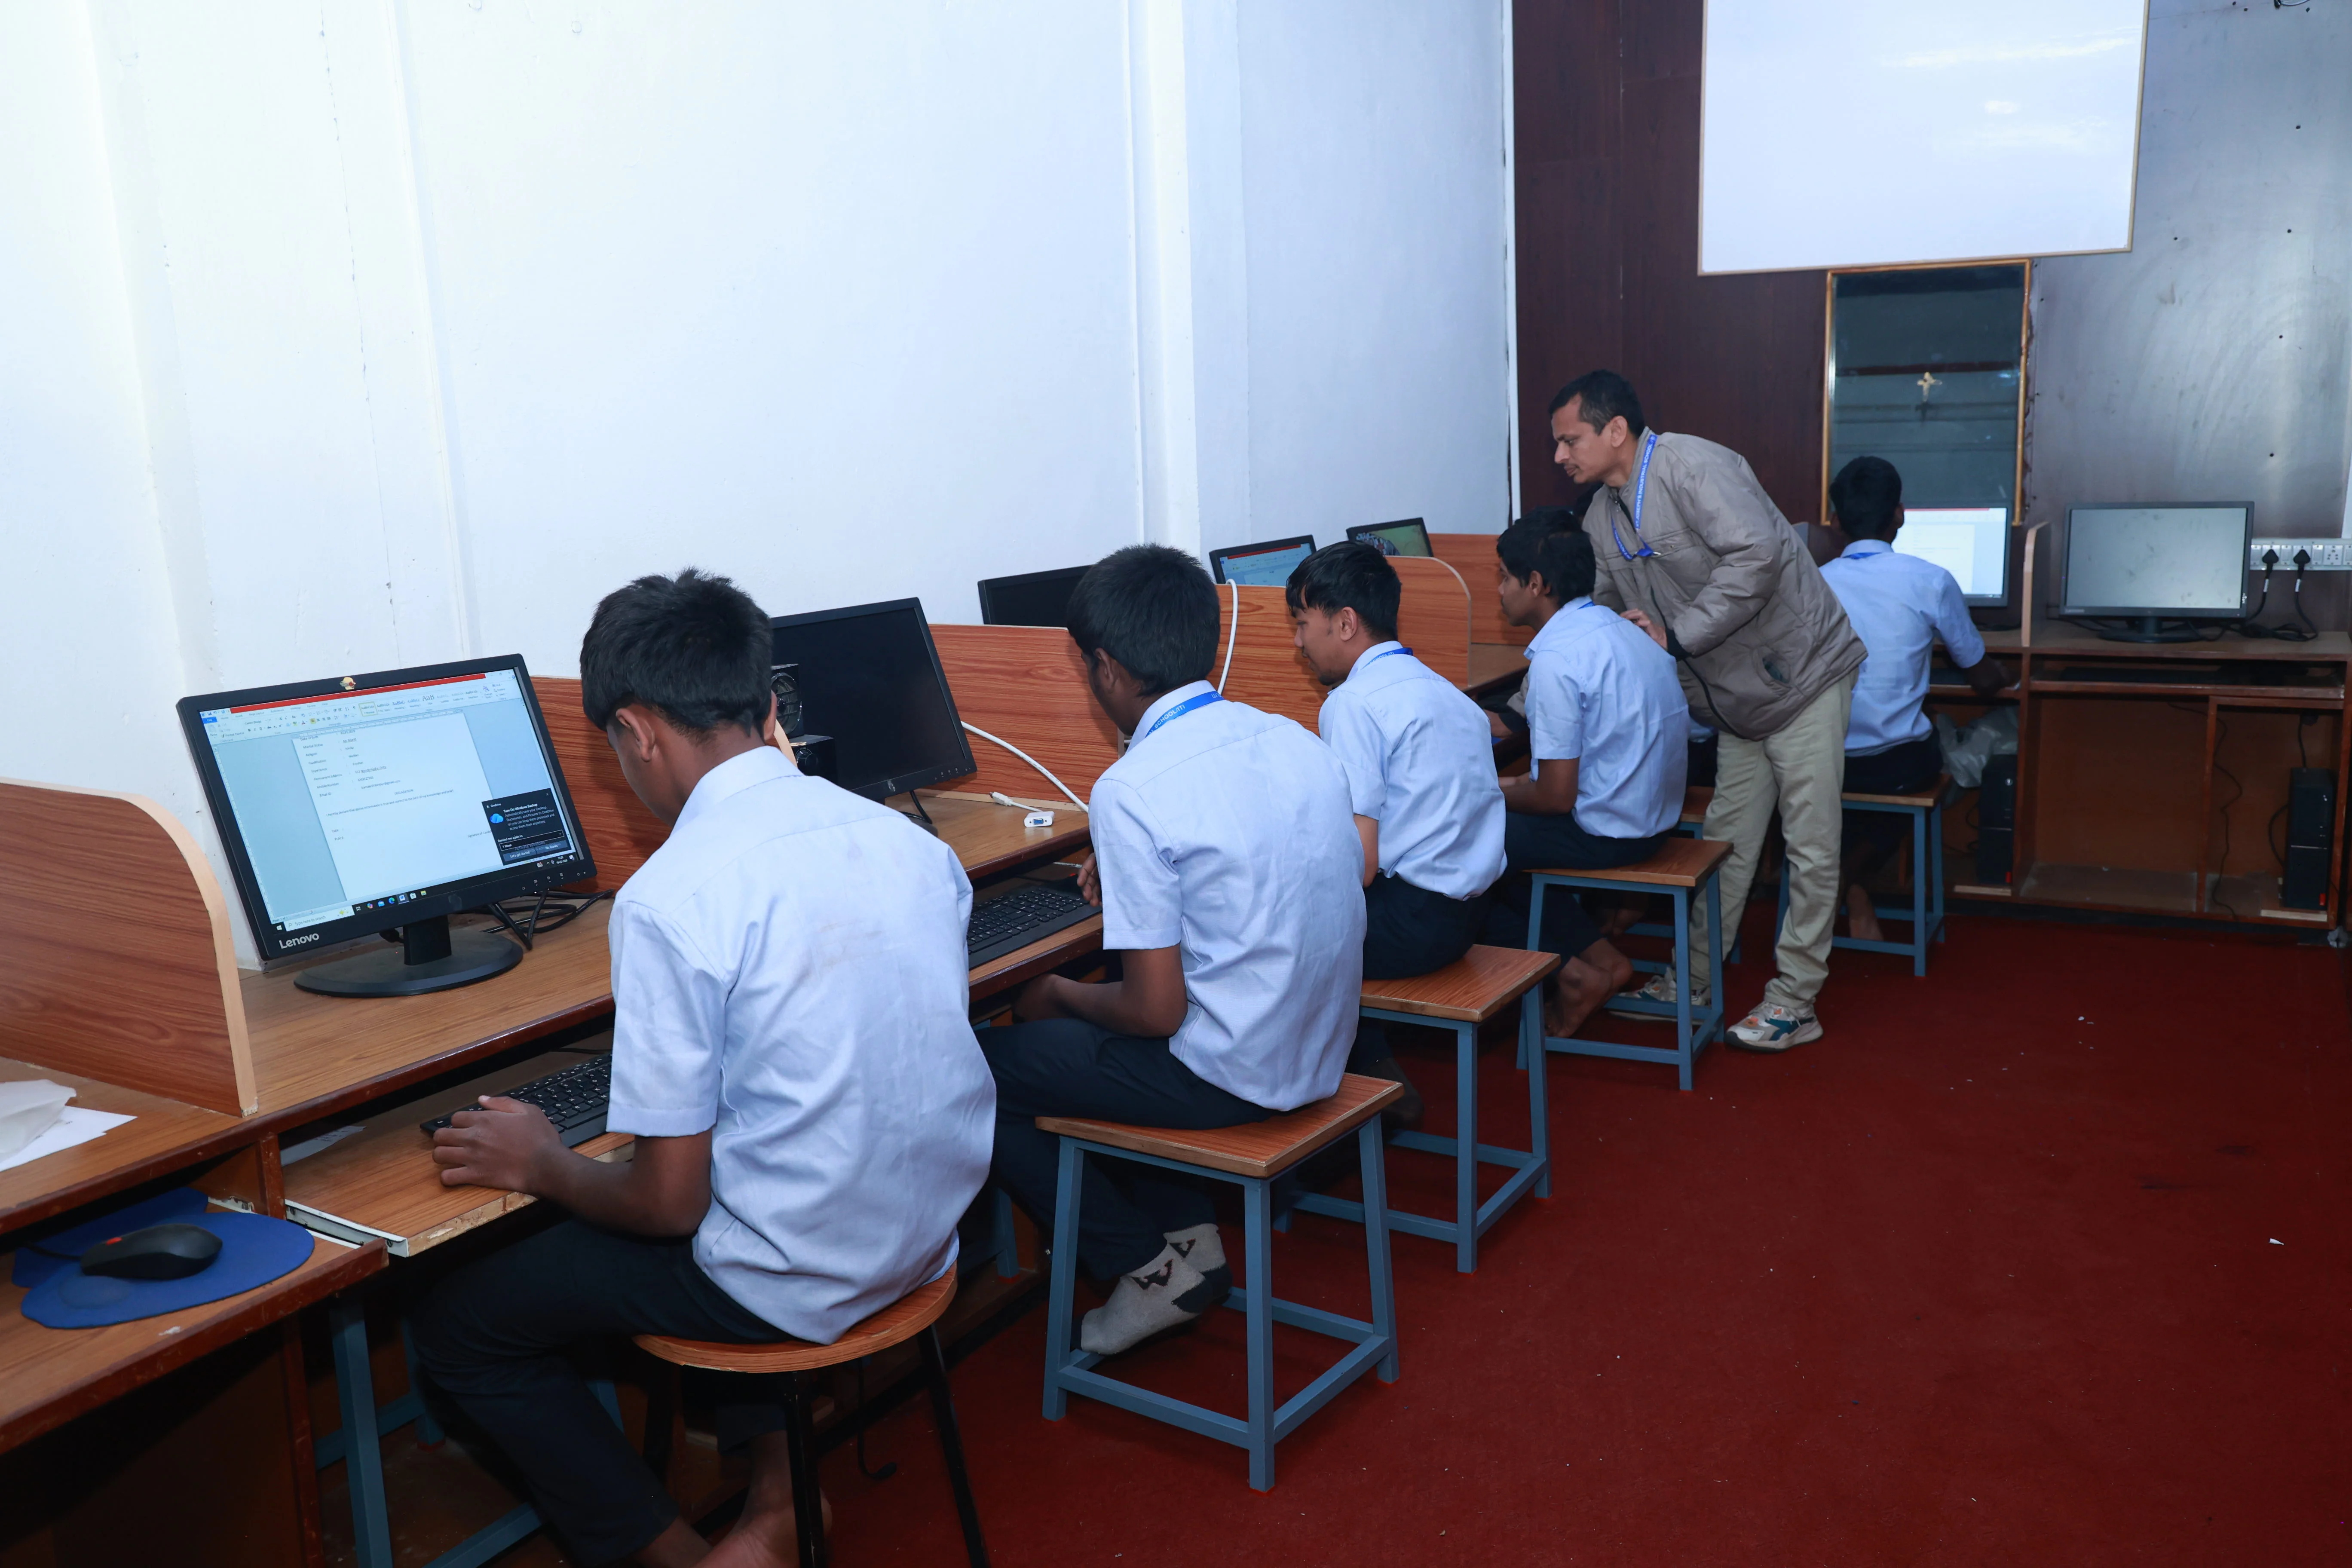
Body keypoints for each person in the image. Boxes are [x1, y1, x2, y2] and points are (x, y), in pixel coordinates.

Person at [413, 570, 994, 1568]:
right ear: (767, 703)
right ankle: (780, 1500)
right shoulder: (904, 842)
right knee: (746, 1145)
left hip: (799, 1276)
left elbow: (669, 1206)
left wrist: (542, 1161)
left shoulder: (671, 900)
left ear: (636, 731)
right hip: (930, 1234)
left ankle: (672, 1554)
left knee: (457, 1320)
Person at [980, 545, 1364, 1356]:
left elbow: (1155, 1012)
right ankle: (1192, 1234)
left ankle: (1144, 1268)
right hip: (1318, 1045)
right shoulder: (1289, 736)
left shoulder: (1133, 785)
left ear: (1108, 669)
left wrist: (1056, 992)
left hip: (1235, 1077)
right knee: (1118, 1027)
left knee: (978, 1069)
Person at [1552, 370, 1865, 1053]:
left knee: (1811, 845)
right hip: (1735, 697)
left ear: (1614, 431)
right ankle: (1692, 979)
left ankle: (1795, 999)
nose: (1560, 456)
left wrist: (1678, 636)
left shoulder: (1695, 466)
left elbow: (1759, 556)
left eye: (1569, 439)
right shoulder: (1604, 514)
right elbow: (1601, 611)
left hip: (1803, 674)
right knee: (1726, 841)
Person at [1287, 541, 1507, 1116]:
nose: (1297, 642)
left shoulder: (1353, 703)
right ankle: (1374, 1068)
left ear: (1345, 623)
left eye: (1302, 624)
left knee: (1271, 937)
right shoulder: (1444, 691)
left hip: (1411, 924)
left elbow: (1357, 867)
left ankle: (1357, 1092)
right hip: (1467, 914)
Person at [1485, 515, 1688, 1036]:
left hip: (1610, 833)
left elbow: (1554, 797)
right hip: (1656, 819)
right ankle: (1600, 961)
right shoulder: (1620, 628)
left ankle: (1573, 973)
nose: (1499, 589)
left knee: (1470, 840)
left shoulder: (1557, 659)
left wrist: (1488, 791)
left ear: (1536, 585)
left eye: (1505, 576)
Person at [1818, 457, 2010, 939]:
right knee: (1924, 743)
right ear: (1900, 515)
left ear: (1836, 521)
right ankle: (1846, 882)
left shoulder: (1812, 582)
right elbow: (1983, 680)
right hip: (1894, 767)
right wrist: (2008, 674)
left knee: (1850, 784)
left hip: (1821, 758)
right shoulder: (1930, 579)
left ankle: (1848, 887)